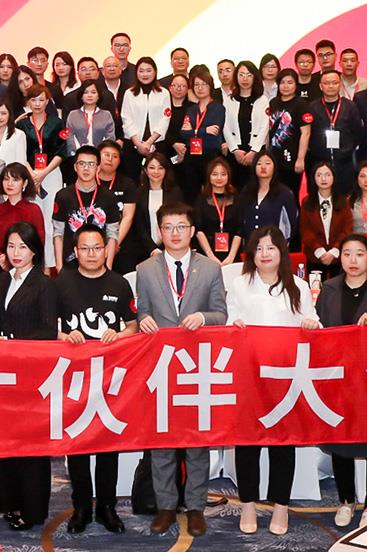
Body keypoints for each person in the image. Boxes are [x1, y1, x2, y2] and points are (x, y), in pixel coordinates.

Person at [133, 202, 226, 537]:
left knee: (197, 440)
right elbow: (142, 312)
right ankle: (166, 506)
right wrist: (144, 319)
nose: (175, 233)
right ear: (160, 231)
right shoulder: (145, 269)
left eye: (181, 227)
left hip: (196, 366)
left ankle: (196, 506)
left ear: (192, 231)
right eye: (168, 227)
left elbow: (221, 315)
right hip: (160, 366)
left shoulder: (210, 269)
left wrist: (204, 317)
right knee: (162, 440)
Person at [224, 225, 319, 535]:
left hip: (285, 377)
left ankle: (281, 506)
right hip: (249, 374)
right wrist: (235, 325)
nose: (264, 254)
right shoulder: (240, 284)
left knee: (283, 443)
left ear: (282, 252)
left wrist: (310, 324)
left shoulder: (298, 286)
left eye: (271, 248)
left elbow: (314, 323)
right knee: (247, 442)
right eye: (259, 248)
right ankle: (248, 504)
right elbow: (229, 320)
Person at [52, 224, 139, 533]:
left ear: (106, 249)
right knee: (77, 443)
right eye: (85, 248)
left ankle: (106, 507)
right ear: (75, 252)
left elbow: (133, 325)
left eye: (97, 248)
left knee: (107, 445)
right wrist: (65, 336)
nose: (91, 254)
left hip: (109, 377)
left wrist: (119, 335)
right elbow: (48, 326)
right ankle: (80, 507)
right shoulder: (62, 283)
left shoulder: (119, 284)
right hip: (74, 376)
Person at [314, 234, 367, 527]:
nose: (353, 260)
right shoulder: (329, 289)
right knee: (341, 442)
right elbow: (319, 329)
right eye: (347, 254)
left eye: (360, 254)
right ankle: (345, 501)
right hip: (338, 379)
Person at [0, 222, 55, 530]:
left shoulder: (43, 284)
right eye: (11, 246)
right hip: (5, 372)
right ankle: (10, 503)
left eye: (23, 246)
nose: (16, 252)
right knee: (7, 439)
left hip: (33, 374)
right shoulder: (4, 279)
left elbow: (48, 331)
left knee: (32, 443)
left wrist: (13, 341)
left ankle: (33, 511)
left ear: (34, 250)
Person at [51, 147, 122, 270]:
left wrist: (108, 266)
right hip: (70, 264)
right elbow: (58, 233)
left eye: (91, 164)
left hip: (100, 265)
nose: (86, 168)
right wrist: (59, 267)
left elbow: (112, 234)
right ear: (75, 167)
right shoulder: (63, 196)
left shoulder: (109, 197)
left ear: (98, 168)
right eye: (81, 163)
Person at [299, 161, 349, 281]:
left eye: (327, 174)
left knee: (338, 290)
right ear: (314, 178)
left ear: (334, 177)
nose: (323, 178)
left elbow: (347, 229)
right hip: (315, 256)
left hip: (338, 256)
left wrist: (334, 251)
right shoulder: (307, 202)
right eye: (319, 175)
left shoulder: (343, 202)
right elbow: (305, 230)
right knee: (315, 288)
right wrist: (320, 251)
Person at [193, 157, 244, 264]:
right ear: (209, 176)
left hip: (232, 255)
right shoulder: (201, 199)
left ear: (228, 176)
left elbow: (239, 230)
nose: (219, 178)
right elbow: (198, 229)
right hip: (206, 255)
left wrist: (231, 257)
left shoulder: (237, 199)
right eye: (215, 174)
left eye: (223, 174)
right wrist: (210, 256)